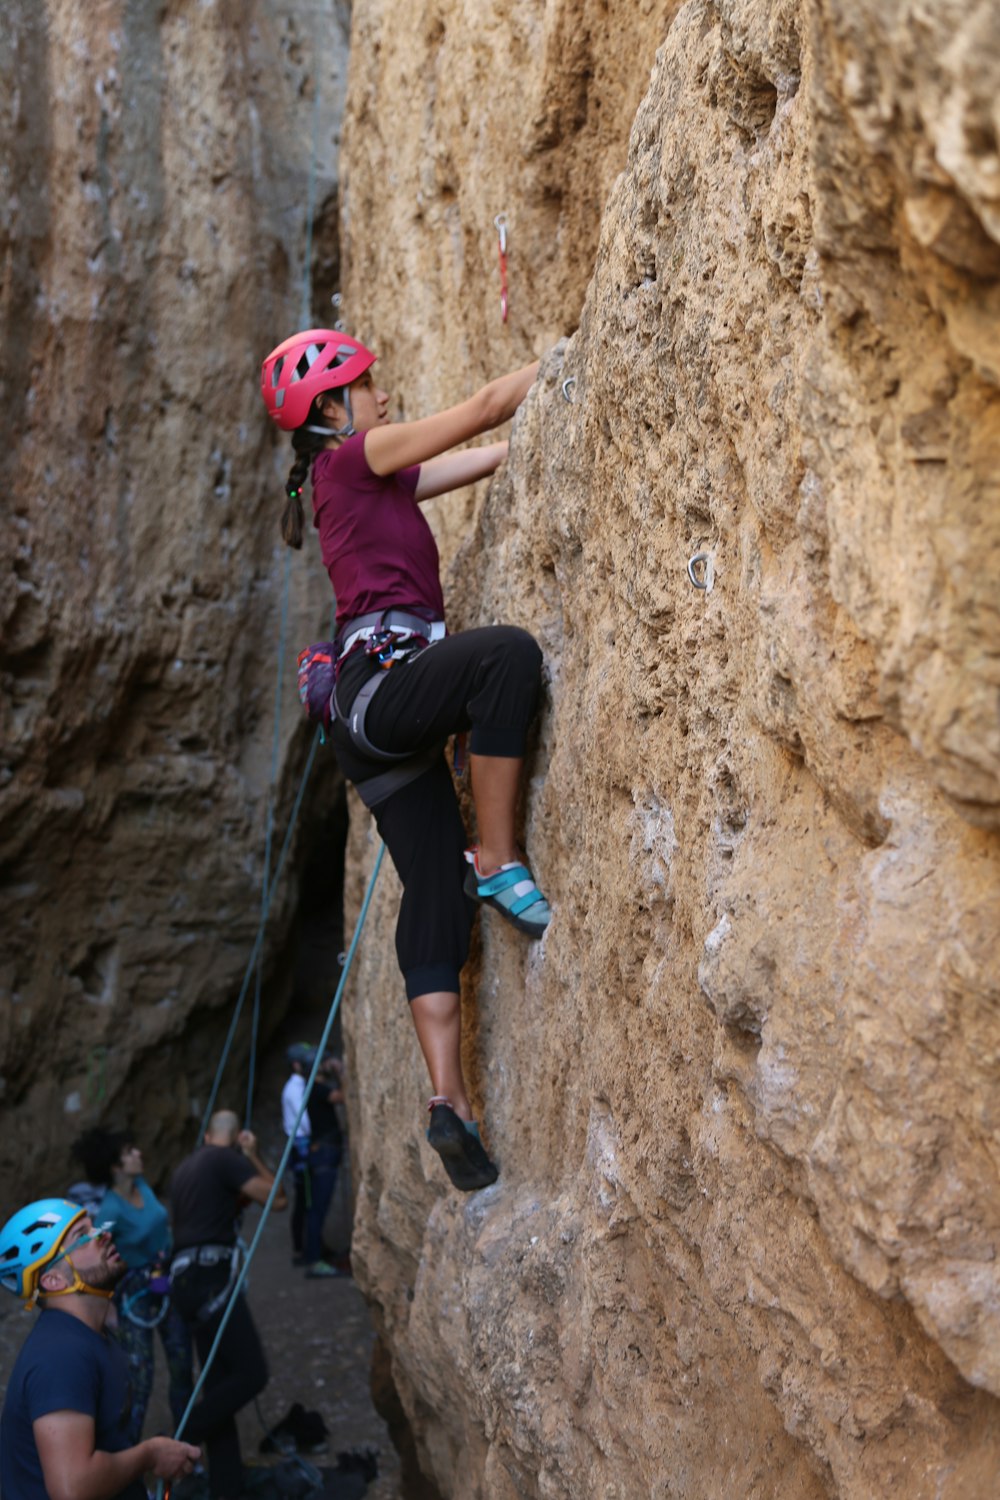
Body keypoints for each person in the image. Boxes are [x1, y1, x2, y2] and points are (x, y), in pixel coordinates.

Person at [260, 328, 553, 1193]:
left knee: (432, 887)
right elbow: (484, 409)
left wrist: (548, 421)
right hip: (386, 688)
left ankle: (448, 1101)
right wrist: (574, 357)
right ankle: (499, 860)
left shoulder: (358, 481)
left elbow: (492, 450)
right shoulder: (351, 458)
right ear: (331, 410)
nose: (383, 397)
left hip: (367, 722)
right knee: (506, 657)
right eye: (368, 386)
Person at [0, 1198, 200, 1499]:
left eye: (92, 1226)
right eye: (82, 1237)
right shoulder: (61, 1356)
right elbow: (72, 1489)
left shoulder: (89, 1335)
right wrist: (150, 1455)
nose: (102, 1234)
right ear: (53, 1280)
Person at [169, 1109, 287, 1500]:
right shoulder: (226, 1160)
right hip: (210, 1280)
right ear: (236, 1137)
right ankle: (180, 1437)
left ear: (206, 1135)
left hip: (185, 1283)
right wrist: (251, 1155)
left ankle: (227, 1488)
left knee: (220, 1383)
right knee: (251, 1374)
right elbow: (278, 1199)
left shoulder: (186, 1169)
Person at [71, 1125, 194, 1445]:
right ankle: (127, 1459)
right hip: (135, 1295)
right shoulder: (110, 1211)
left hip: (165, 1281)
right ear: (115, 1167)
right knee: (140, 1379)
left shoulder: (143, 1185)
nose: (138, 1154)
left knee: (182, 1366)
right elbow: (96, 1249)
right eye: (129, 1153)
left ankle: (186, 1445)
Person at [280, 1045, 312, 1266]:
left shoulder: (296, 1086)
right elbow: (306, 1123)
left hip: (298, 1145)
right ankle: (302, 1250)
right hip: (302, 1145)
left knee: (305, 1196)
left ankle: (306, 1246)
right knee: (305, 1197)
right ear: (296, 1065)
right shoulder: (295, 1089)